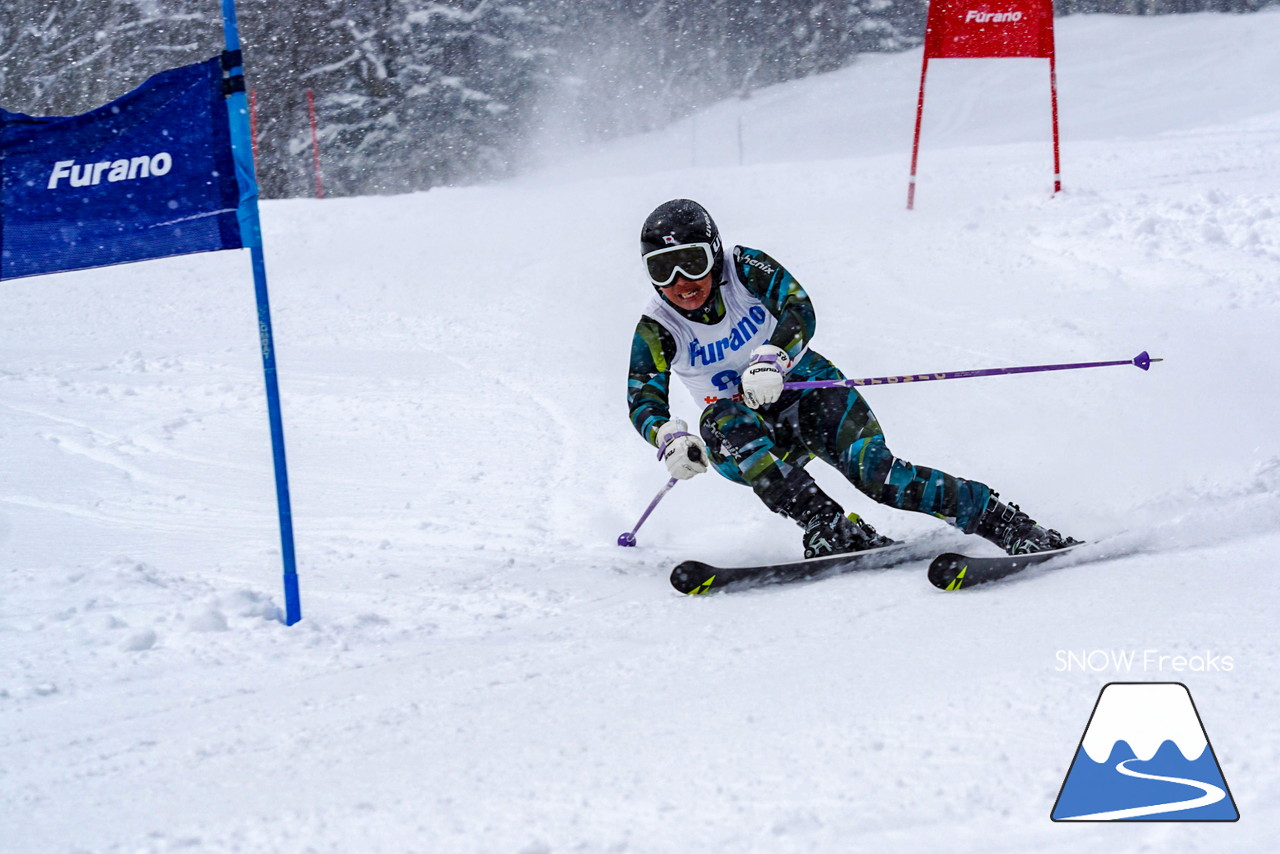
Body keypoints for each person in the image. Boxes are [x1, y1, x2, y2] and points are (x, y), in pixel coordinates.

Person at [626, 198, 1077, 559]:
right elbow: (643, 399)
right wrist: (667, 437)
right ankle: (827, 524)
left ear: (716, 253)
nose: (682, 281)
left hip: (809, 394)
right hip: (748, 437)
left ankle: (1005, 522)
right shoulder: (658, 326)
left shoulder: (745, 267)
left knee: (880, 478)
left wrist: (773, 358)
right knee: (721, 418)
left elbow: (799, 307)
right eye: (663, 269)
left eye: (692, 261)